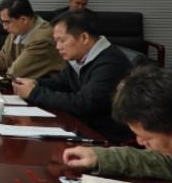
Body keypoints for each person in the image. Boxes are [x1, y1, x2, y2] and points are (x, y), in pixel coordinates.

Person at [11, 10, 132, 143]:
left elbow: (84, 104)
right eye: (56, 41)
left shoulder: (110, 63)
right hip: (81, 127)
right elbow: (61, 82)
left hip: (105, 139)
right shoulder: (80, 57)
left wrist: (34, 93)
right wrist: (34, 83)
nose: (58, 47)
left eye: (62, 40)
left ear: (84, 38)